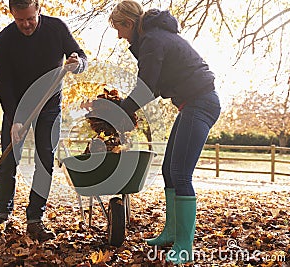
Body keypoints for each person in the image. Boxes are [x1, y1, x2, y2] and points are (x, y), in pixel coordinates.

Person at [108, 0, 221, 264]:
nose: (118, 34)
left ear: (129, 23)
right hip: (190, 103)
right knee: (169, 169)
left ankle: (184, 245)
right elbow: (153, 84)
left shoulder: (152, 40)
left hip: (200, 102)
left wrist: (124, 110)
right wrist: (127, 107)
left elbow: (147, 86)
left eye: (119, 28)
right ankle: (171, 231)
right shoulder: (152, 38)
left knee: (181, 173)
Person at [0, 0, 87, 242]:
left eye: (30, 19)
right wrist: (14, 119)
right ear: (12, 14)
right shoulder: (4, 40)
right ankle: (2, 215)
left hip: (49, 105)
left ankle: (35, 219)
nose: (25, 24)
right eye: (19, 20)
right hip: (18, 106)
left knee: (45, 159)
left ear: (39, 10)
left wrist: (77, 64)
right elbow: (3, 83)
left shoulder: (56, 29)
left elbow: (81, 58)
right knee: (9, 158)